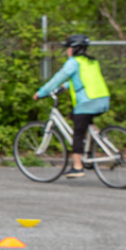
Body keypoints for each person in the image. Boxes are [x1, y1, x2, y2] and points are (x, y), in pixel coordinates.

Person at [33, 34, 111, 178]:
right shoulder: (91, 62)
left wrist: (42, 92)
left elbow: (57, 79)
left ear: (74, 49)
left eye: (68, 48)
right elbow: (85, 80)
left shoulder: (73, 62)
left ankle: (77, 166)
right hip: (103, 99)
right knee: (81, 119)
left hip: (88, 102)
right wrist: (66, 86)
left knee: (77, 132)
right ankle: (102, 143)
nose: (67, 51)